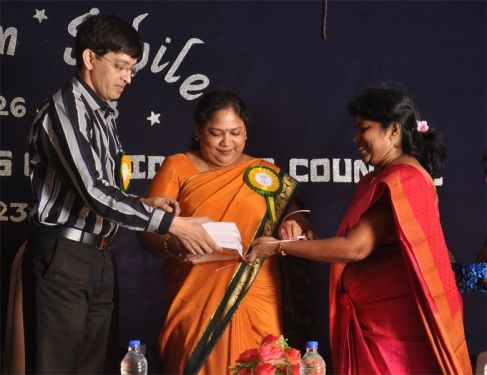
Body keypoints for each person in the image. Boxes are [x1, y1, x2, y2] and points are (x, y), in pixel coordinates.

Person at [19, 14, 220, 374]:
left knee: (94, 368)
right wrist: (174, 224)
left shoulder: (103, 115)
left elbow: (97, 188)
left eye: (132, 69)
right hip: (64, 256)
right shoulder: (65, 110)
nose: (128, 77)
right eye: (121, 66)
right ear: (89, 59)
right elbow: (94, 192)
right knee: (56, 368)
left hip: (98, 256)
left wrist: (144, 204)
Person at [247, 85, 473, 374]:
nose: (356, 138)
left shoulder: (403, 178)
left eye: (364, 128)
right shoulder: (381, 177)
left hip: (392, 334)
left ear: (393, 131)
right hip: (373, 322)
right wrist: (308, 240)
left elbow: (355, 247)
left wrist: (279, 247)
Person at [137, 89, 311, 374]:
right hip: (195, 297)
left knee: (263, 364)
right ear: (198, 131)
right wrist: (177, 243)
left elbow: (294, 215)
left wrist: (293, 223)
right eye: (216, 133)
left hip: (257, 293)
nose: (227, 143)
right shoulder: (177, 166)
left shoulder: (266, 172)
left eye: (235, 132)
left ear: (246, 132)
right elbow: (147, 233)